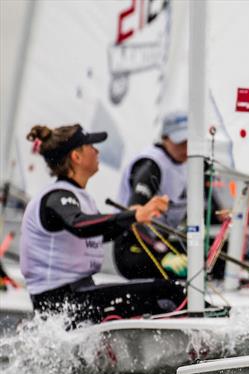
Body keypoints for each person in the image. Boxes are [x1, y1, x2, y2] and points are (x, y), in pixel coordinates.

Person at [20, 123, 184, 326]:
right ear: (76, 157)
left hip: (79, 298)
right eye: (91, 146)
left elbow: (101, 232)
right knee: (170, 292)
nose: (97, 151)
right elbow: (80, 225)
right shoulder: (57, 197)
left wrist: (136, 217)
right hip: (61, 306)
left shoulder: (79, 197)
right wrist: (135, 214)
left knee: (167, 291)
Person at [113, 111, 190, 279]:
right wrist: (162, 257)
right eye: (181, 141)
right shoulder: (151, 165)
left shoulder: (189, 165)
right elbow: (135, 212)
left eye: (189, 141)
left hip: (161, 244)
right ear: (165, 137)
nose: (186, 147)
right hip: (133, 248)